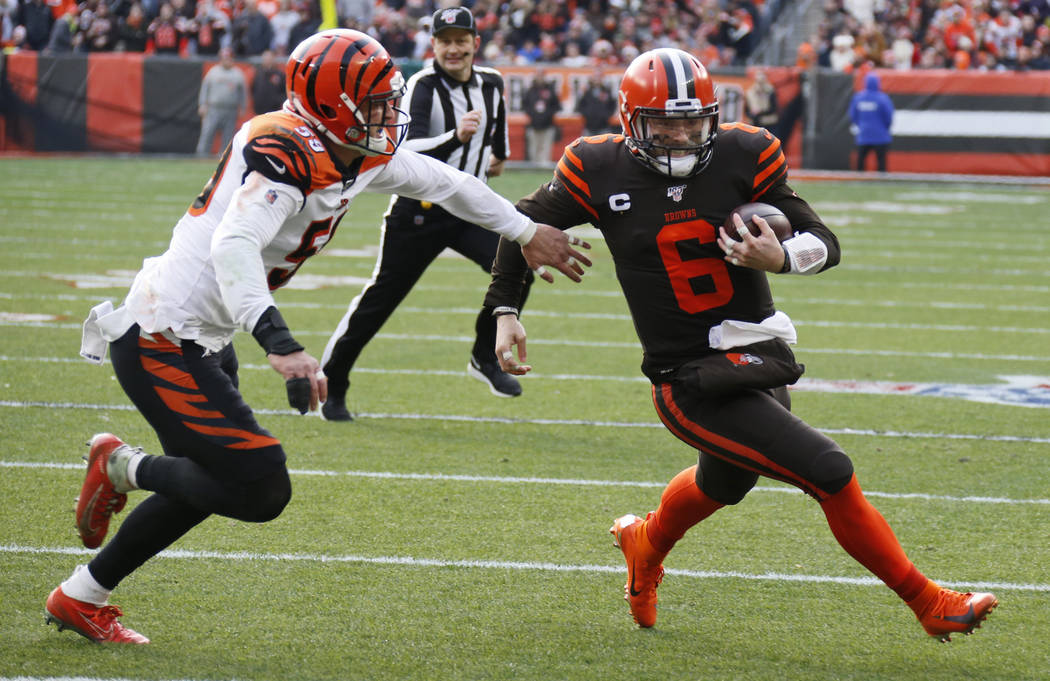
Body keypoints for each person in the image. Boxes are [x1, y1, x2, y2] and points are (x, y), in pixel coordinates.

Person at [44, 28, 589, 645]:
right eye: (378, 102)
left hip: (207, 334)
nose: (392, 113)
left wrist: (523, 230)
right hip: (163, 334)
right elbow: (234, 243)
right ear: (333, 104)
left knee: (214, 478)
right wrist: (279, 342)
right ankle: (121, 466)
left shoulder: (354, 148)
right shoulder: (285, 147)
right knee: (260, 485)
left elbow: (447, 183)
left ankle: (81, 596)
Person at [483, 47, 997, 641]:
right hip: (688, 376)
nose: (680, 136)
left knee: (724, 483)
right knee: (829, 470)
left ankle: (643, 542)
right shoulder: (596, 168)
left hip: (756, 351)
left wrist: (781, 256)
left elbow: (823, 241)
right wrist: (504, 311)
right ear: (630, 122)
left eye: (692, 121)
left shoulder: (743, 152)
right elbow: (520, 226)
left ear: (713, 116)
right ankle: (929, 601)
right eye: (664, 124)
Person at [319, 7, 531, 422]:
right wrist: (455, 137)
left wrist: (482, 158)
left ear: (475, 43)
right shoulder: (422, 85)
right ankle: (333, 383)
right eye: (444, 41)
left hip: (469, 209)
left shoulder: (492, 83)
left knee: (516, 266)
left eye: (460, 40)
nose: (453, 49)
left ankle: (483, 357)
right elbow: (404, 151)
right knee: (381, 300)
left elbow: (499, 156)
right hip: (420, 211)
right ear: (432, 45)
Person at [195, 46, 247, 156]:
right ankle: (201, 155)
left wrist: (242, 107)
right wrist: (202, 104)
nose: (227, 60)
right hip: (214, 108)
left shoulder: (237, 73)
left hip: (230, 109)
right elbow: (205, 89)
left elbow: (243, 93)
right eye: (224, 58)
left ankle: (224, 158)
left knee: (228, 135)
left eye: (229, 58)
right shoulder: (213, 72)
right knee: (208, 132)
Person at [849, 72, 894, 172]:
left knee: (860, 161)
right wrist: (884, 128)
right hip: (881, 136)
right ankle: (882, 182)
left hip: (864, 135)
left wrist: (861, 126)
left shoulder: (858, 98)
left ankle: (859, 182)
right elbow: (889, 117)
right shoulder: (883, 98)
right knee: (881, 162)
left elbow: (853, 115)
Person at [522, 68, 561, 165]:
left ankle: (544, 169)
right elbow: (525, 105)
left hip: (547, 125)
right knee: (533, 149)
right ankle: (534, 168)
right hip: (533, 124)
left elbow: (557, 106)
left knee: (546, 149)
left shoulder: (550, 90)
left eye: (541, 75)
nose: (540, 78)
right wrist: (532, 114)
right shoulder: (530, 90)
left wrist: (548, 115)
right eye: (538, 75)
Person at [575, 67, 616, 136]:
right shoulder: (587, 91)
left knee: (604, 146)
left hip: (604, 126)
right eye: (596, 76)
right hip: (589, 126)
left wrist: (606, 115)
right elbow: (580, 105)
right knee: (587, 145)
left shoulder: (607, 91)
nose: (597, 78)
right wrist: (587, 114)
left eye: (599, 76)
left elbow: (612, 105)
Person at [250, 48, 285, 114]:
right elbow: (252, 89)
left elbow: (284, 92)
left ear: (274, 58)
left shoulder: (280, 74)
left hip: (274, 110)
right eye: (265, 57)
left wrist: (277, 100)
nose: (267, 59)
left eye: (269, 57)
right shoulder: (258, 73)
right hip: (259, 110)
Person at [744, 68, 778, 133]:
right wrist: (752, 115)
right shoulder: (750, 92)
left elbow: (773, 108)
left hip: (768, 123)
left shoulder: (770, 91)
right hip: (755, 123)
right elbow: (746, 110)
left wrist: (759, 112)